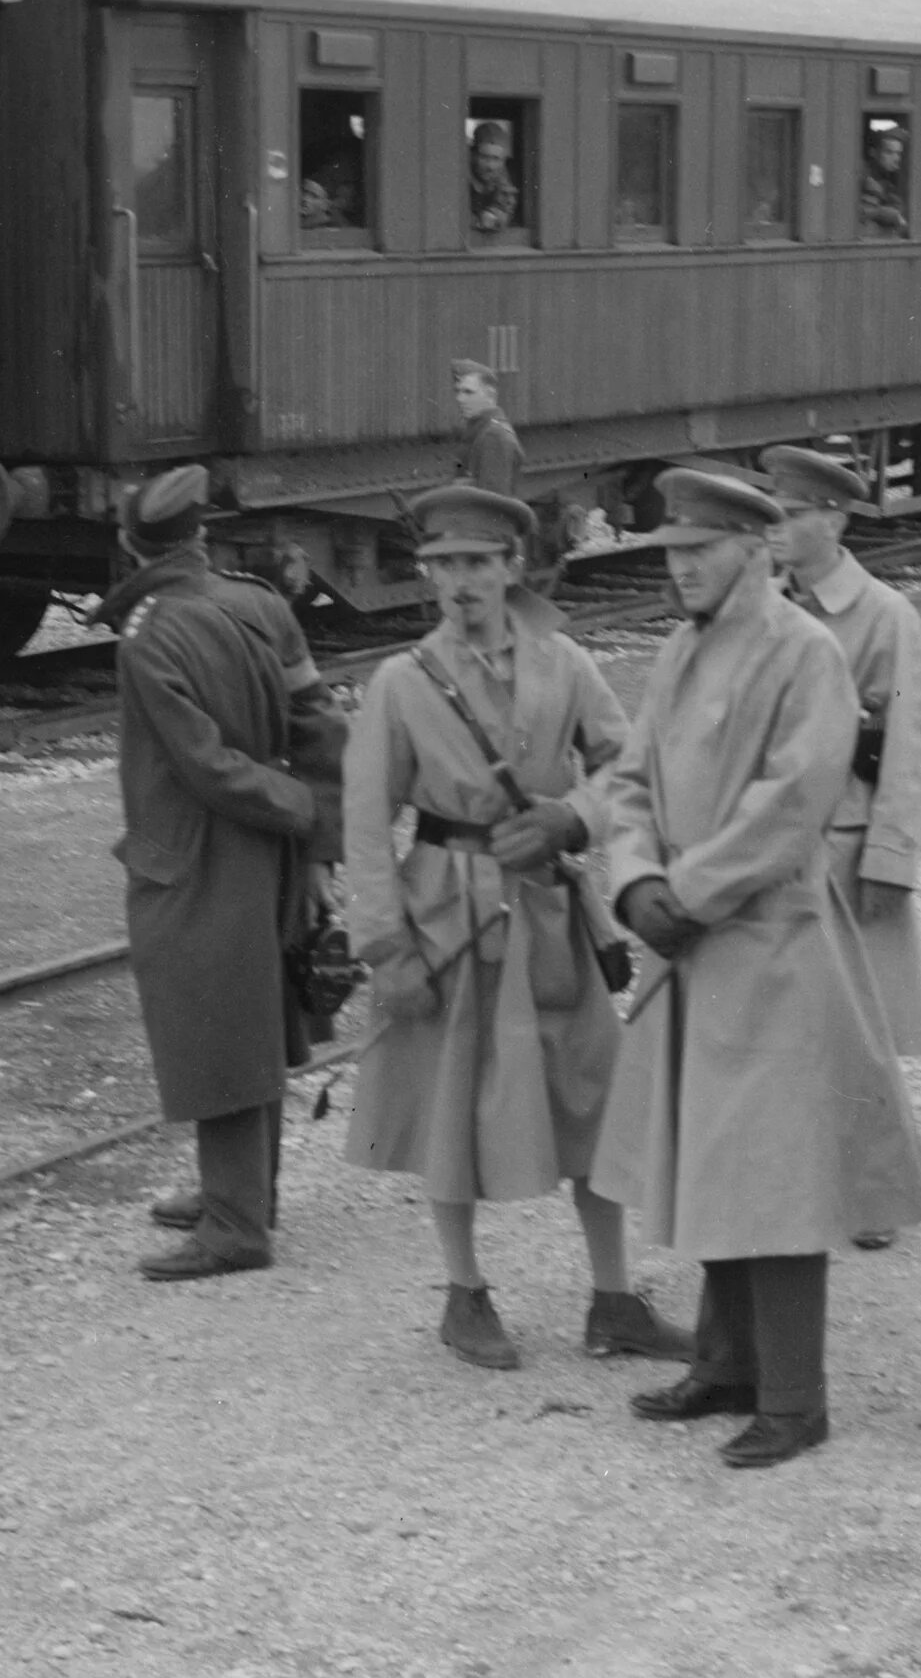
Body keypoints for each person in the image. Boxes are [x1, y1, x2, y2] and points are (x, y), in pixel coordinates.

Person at [589, 466, 921, 1469]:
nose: (680, 569)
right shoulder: (679, 653)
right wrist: (636, 880)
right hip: (694, 945)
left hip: (773, 946)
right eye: (672, 554)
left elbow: (792, 806)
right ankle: (729, 1364)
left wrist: (680, 894)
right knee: (713, 1154)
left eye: (696, 552)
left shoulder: (806, 653)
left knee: (777, 1175)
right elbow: (627, 783)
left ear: (752, 550)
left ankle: (796, 1398)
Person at [341, 483, 692, 1371]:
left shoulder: (564, 663)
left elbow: (630, 768)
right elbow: (364, 821)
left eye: (477, 564)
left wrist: (574, 817)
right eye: (442, 566)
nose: (459, 583)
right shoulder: (401, 683)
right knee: (451, 1105)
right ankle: (465, 1297)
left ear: (512, 570)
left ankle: (614, 1299)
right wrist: (386, 949)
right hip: (449, 915)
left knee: (591, 1098)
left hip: (548, 910)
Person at [92, 466, 343, 1281]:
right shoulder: (262, 603)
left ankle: (236, 1225)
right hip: (267, 851)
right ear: (201, 537)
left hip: (195, 851)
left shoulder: (150, 634)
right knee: (256, 1011)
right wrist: (316, 837)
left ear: (131, 544)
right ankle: (239, 1194)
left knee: (213, 1025)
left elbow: (203, 765)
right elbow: (319, 721)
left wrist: (296, 806)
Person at [760, 445, 921, 1253]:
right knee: (785, 1021)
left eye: (793, 514)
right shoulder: (763, 606)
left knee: (861, 1036)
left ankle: (874, 1195)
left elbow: (909, 743)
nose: (777, 529)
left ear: (833, 519)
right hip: (775, 848)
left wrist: (893, 858)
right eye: (774, 512)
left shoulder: (884, 615)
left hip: (847, 843)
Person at [451, 359, 523, 499]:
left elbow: (492, 502)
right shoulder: (482, 430)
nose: (460, 398)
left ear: (490, 395)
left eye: (468, 392)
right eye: (458, 391)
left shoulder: (494, 436)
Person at [467, 119, 521, 233]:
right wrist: (476, 220)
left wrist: (493, 215)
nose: (490, 166)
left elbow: (506, 207)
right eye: (484, 157)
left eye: (496, 159)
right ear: (473, 155)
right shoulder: (459, 174)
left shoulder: (504, 175)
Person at [860, 125, 909, 238]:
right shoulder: (869, 181)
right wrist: (884, 213)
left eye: (898, 153)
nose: (896, 159)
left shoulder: (887, 181)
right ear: (873, 152)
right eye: (889, 152)